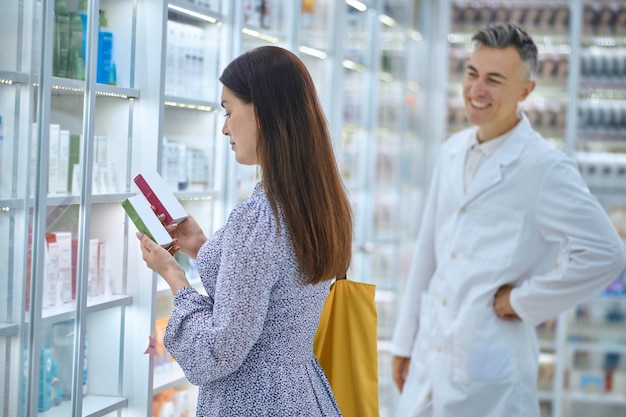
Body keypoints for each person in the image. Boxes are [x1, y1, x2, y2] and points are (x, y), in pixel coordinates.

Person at [390, 22, 626, 417]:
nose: (476, 90)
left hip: (491, 370)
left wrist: (522, 301)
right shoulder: (451, 152)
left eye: (494, 80)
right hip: (431, 355)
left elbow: (606, 254)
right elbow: (428, 254)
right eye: (472, 74)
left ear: (526, 91)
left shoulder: (545, 168)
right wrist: (404, 341)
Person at [136, 45, 351, 416]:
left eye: (228, 110)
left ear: (262, 113)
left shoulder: (259, 217)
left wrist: (174, 277)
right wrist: (200, 247)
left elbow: (218, 352)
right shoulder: (315, 203)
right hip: (302, 391)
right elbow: (269, 291)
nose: (224, 128)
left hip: (256, 399)